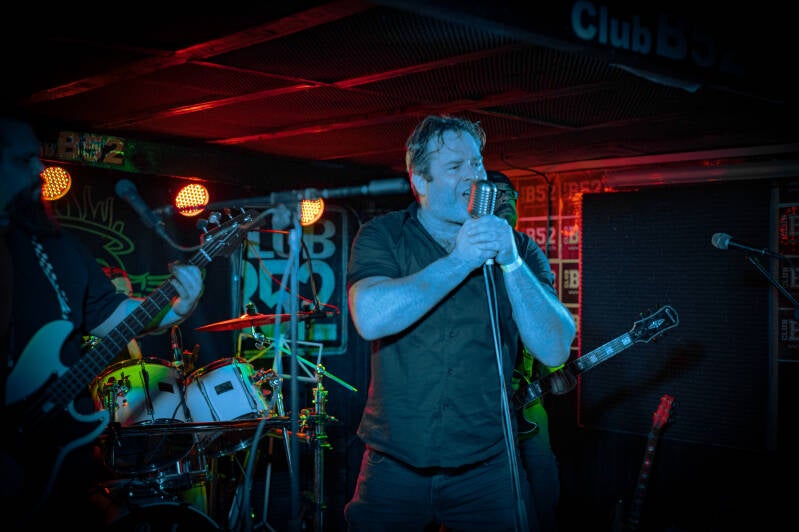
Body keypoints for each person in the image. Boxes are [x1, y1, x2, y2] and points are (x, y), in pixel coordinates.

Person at [344, 114, 576, 532]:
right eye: (455, 166)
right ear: (420, 181)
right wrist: (460, 261)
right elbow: (370, 318)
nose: (474, 176)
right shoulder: (384, 235)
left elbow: (556, 347)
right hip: (394, 464)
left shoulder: (520, 248)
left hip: (487, 466)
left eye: (476, 163)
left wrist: (511, 262)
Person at [0, 115, 204, 528]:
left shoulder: (57, 246)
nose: (40, 169)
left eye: (38, 158)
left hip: (62, 450)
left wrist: (178, 308)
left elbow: (110, 314)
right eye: (23, 160)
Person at [487, 170, 577, 532]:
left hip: (524, 396)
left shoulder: (525, 249)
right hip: (476, 401)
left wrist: (552, 370)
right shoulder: (463, 249)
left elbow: (543, 315)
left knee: (543, 483)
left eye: (511, 196)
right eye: (497, 195)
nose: (507, 202)